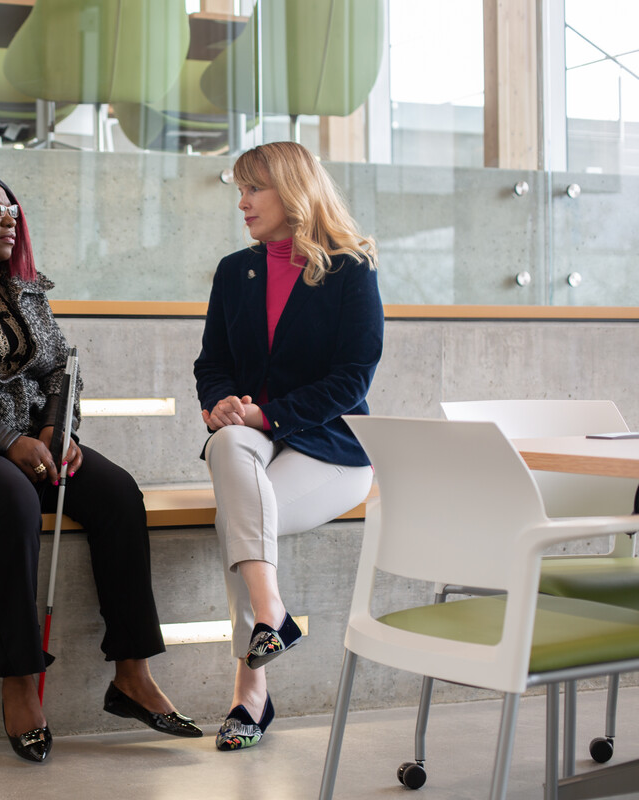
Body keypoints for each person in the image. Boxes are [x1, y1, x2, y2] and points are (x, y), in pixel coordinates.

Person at [0, 162, 202, 764]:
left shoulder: (20, 285)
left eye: (13, 210)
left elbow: (60, 367)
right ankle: (19, 679)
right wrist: (8, 442)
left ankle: (132, 673)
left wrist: (56, 427)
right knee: (12, 497)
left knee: (118, 493)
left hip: (31, 443)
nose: (11, 221)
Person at [193, 141, 382, 752]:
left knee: (238, 516)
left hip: (332, 447)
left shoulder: (350, 269)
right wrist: (222, 403)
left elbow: (352, 380)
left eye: (254, 189)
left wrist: (266, 415)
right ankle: (271, 612)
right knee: (227, 444)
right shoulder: (234, 271)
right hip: (254, 439)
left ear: (293, 191)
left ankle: (250, 690)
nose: (242, 203)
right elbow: (212, 363)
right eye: (240, 190)